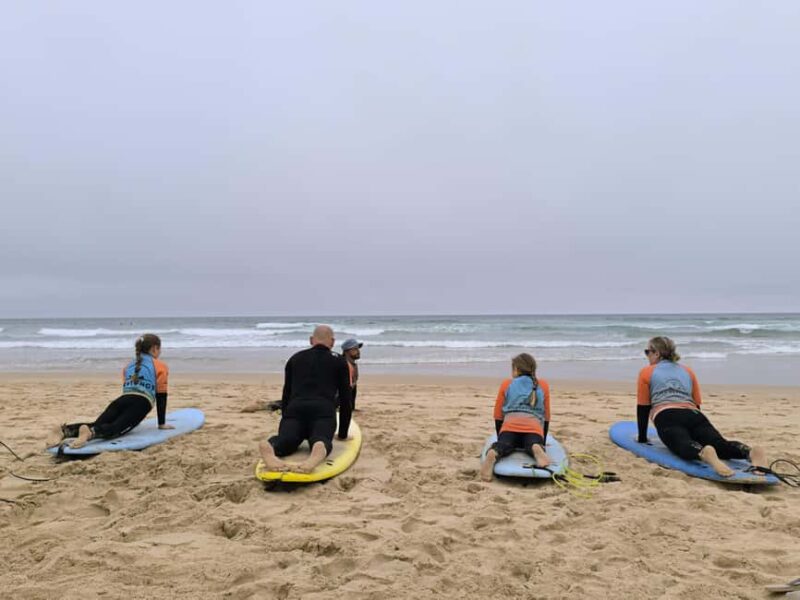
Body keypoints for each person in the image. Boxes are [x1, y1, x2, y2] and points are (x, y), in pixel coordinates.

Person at [637, 336, 768, 477]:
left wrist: (642, 438)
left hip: (667, 415)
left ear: (657, 353)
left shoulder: (646, 372)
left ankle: (703, 453)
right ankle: (749, 452)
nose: (647, 355)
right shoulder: (687, 371)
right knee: (720, 445)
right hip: (694, 415)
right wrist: (696, 429)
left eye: (647, 352)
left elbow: (643, 407)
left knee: (682, 444)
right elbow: (696, 403)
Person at [45, 334, 173, 449]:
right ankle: (90, 434)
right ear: (154, 348)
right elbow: (161, 395)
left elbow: (128, 389)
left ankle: (64, 430)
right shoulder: (160, 366)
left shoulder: (128, 366)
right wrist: (161, 424)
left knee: (97, 424)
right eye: (159, 349)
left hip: (121, 400)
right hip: (142, 403)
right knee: (116, 429)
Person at [258, 325, 352, 473]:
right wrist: (342, 434)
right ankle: (318, 449)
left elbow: (286, 394)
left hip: (295, 409)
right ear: (332, 342)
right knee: (320, 438)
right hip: (323, 411)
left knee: (287, 441)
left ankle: (271, 446)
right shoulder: (339, 361)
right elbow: (346, 399)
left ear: (311, 340)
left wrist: (286, 418)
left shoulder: (295, 358)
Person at [480, 353, 551, 482]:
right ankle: (536, 448)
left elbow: (497, 414)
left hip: (509, 429)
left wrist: (500, 435)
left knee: (505, 445)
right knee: (532, 443)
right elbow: (546, 417)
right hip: (533, 430)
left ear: (516, 369)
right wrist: (543, 443)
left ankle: (494, 452)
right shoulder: (543, 385)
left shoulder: (507, 384)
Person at [341, 338, 363, 411]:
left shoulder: (353, 364)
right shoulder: (343, 365)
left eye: (358, 349)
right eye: (355, 349)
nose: (358, 351)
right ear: (346, 351)